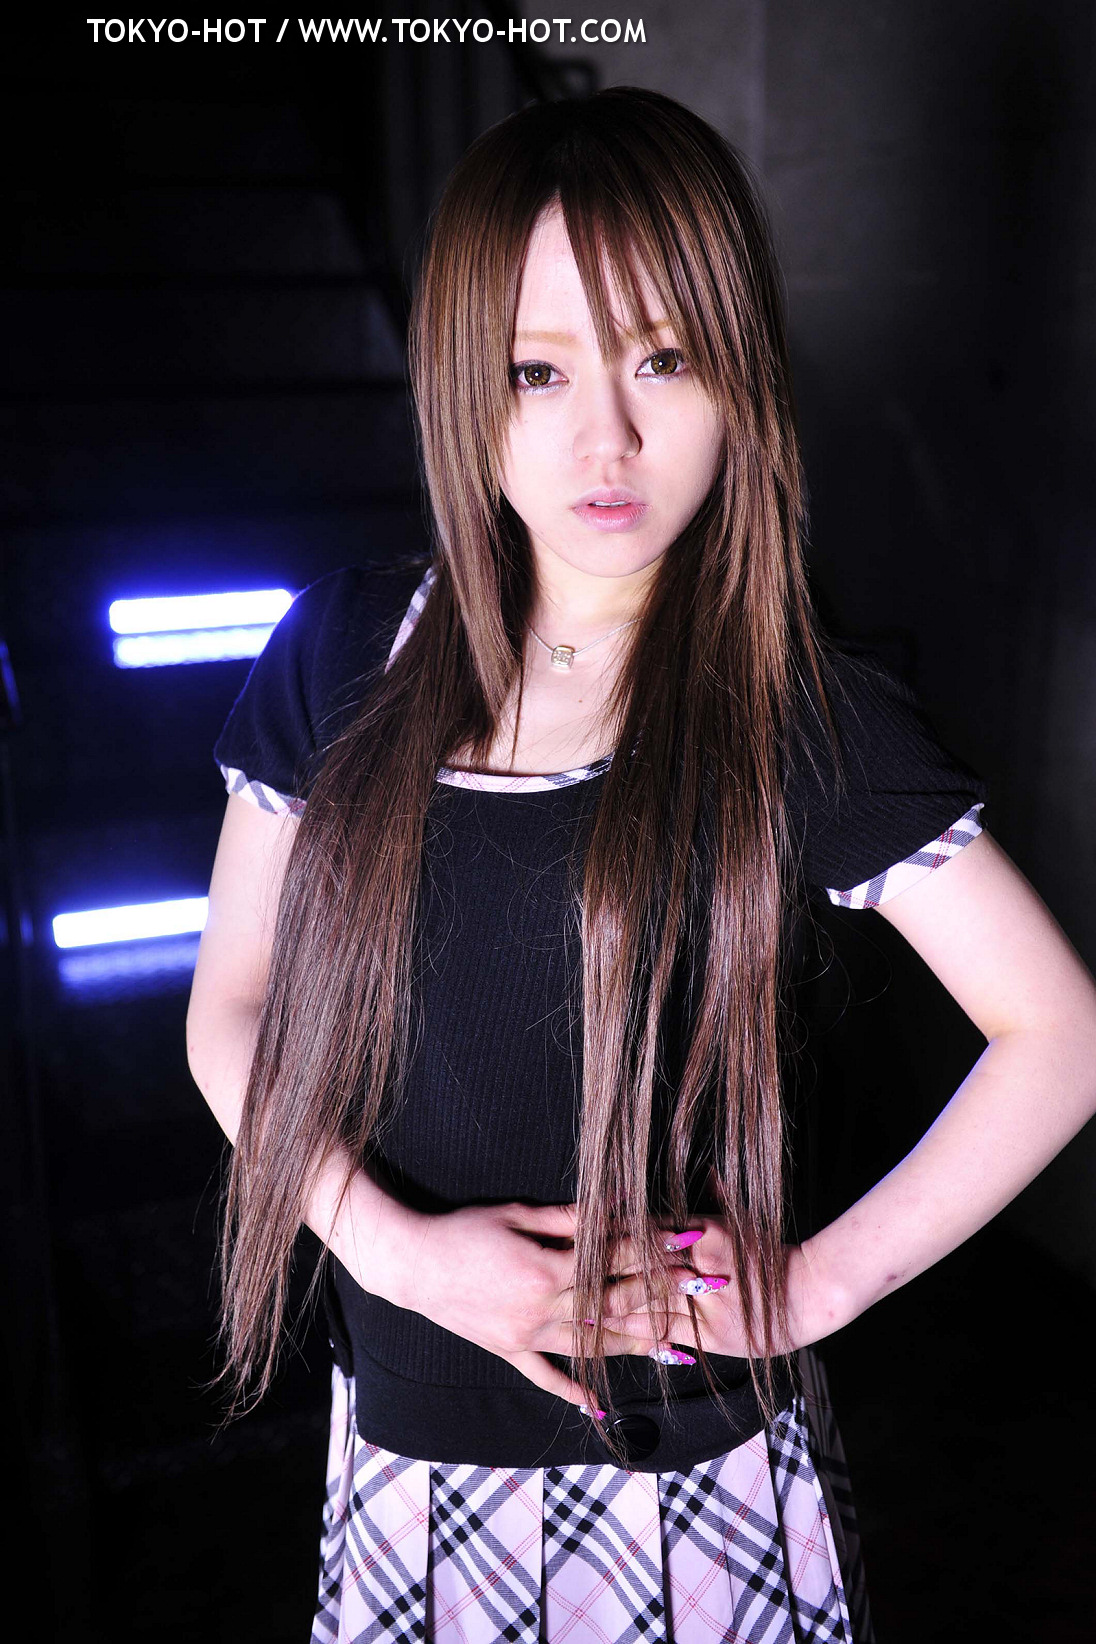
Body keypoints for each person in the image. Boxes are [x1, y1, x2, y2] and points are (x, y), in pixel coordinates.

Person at [186, 87, 1096, 1643]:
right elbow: (235, 1012)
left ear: (742, 375)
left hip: (694, 1468)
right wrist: (400, 1258)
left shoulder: (794, 711)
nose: (604, 437)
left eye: (663, 359)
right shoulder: (341, 650)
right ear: (462, 383)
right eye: (538, 371)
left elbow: (1060, 1034)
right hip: (406, 1442)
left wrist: (818, 1285)